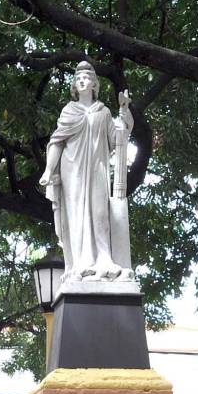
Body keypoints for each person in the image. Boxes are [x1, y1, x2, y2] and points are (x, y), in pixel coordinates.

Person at [39, 61, 134, 282]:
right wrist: (48, 170)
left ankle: (104, 258)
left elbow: (118, 138)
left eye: (87, 78)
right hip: (72, 169)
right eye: (78, 79)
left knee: (100, 212)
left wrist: (125, 113)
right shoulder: (69, 111)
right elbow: (57, 142)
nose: (82, 81)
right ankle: (81, 262)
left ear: (94, 84)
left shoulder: (103, 112)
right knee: (76, 214)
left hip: (98, 168)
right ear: (75, 85)